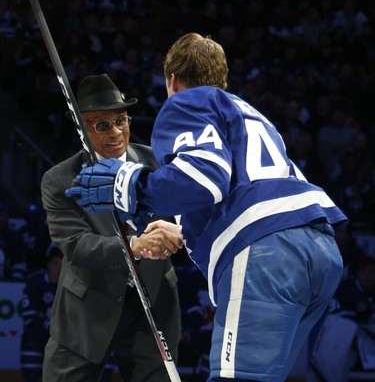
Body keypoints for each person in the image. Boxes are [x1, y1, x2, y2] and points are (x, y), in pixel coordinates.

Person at [67, 33, 347, 382]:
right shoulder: (250, 114)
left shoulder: (187, 103)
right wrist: (186, 232)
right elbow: (248, 187)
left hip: (266, 253)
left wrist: (132, 185)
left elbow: (205, 178)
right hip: (319, 250)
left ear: (172, 80)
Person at [40, 73, 183, 382]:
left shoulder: (159, 163)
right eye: (102, 125)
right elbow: (77, 246)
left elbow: (187, 217)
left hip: (154, 308)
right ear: (81, 127)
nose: (117, 132)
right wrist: (135, 245)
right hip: (87, 310)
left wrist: (175, 233)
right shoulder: (59, 180)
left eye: (122, 120)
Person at [20, 243, 62, 382]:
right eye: (56, 263)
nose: (60, 268)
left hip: (61, 344)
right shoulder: (35, 282)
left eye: (63, 264)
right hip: (36, 341)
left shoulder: (71, 286)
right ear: (48, 264)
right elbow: (30, 317)